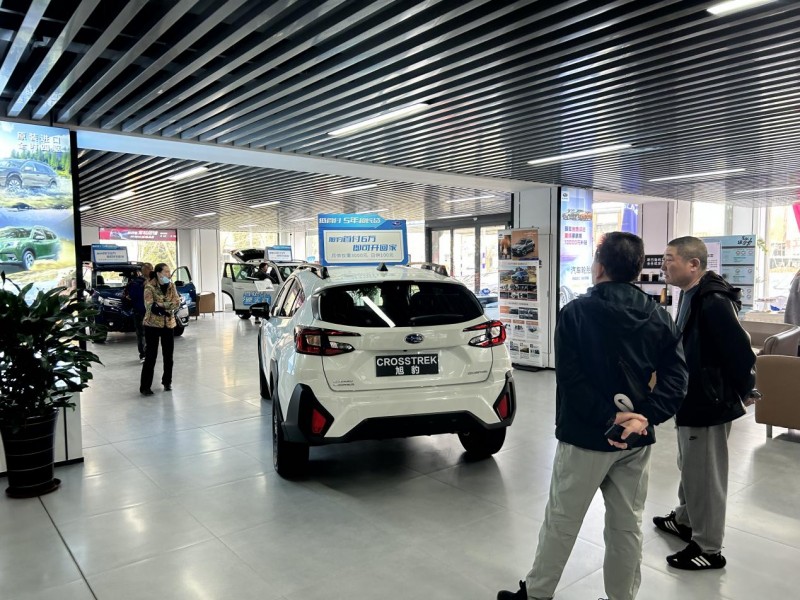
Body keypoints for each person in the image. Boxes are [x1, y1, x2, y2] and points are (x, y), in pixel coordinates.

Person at [498, 232, 688, 600]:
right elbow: (677, 379)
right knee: (627, 525)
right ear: (637, 270)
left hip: (584, 437)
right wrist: (644, 417)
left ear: (599, 267)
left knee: (563, 518)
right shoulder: (659, 317)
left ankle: (537, 594)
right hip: (635, 440)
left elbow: (571, 380)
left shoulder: (575, 313)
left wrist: (608, 418)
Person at [653, 236, 756, 570]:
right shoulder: (690, 294)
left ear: (693, 264)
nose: (663, 265)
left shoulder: (712, 300)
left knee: (705, 475)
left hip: (708, 401)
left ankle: (709, 547)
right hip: (690, 396)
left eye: (670, 259)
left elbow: (740, 350)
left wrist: (745, 389)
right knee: (690, 464)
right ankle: (685, 519)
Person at [139, 263, 180, 396]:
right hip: (152, 325)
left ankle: (167, 381)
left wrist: (162, 304)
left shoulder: (171, 286)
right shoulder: (149, 287)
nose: (169, 274)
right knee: (151, 356)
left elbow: (177, 303)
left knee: (169, 356)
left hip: (168, 324)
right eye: (166, 272)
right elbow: (150, 307)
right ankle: (145, 387)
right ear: (158, 273)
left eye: (169, 271)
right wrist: (164, 307)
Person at [125, 262, 152, 361]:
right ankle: (143, 354)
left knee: (151, 334)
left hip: (152, 312)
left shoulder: (155, 281)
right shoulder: (135, 283)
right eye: (149, 269)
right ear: (143, 270)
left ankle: (150, 352)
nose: (151, 271)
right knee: (142, 334)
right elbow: (134, 297)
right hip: (140, 312)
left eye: (151, 269)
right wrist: (143, 286)